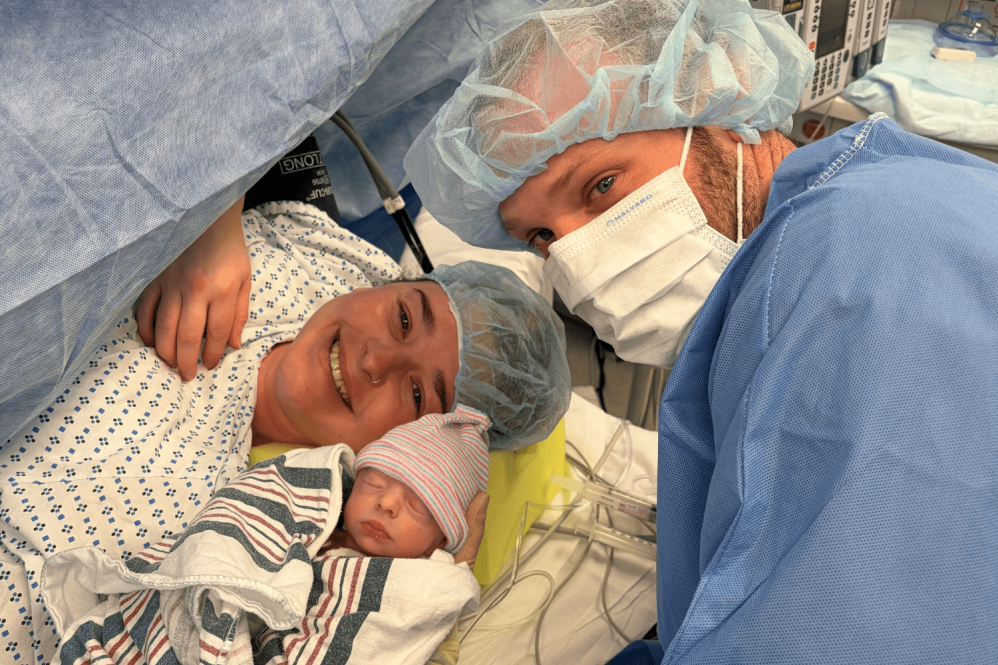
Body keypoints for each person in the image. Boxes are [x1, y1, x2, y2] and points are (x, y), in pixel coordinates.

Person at [402, 0, 998, 662]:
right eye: (542, 236)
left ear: (721, 100)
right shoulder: (780, 280)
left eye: (601, 185)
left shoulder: (851, 264)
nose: (576, 256)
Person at [0, 197, 570, 663]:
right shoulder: (316, 259)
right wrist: (212, 216)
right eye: (403, 317)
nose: (374, 358)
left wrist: (424, 593)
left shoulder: (223, 540)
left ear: (417, 451)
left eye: (418, 394)